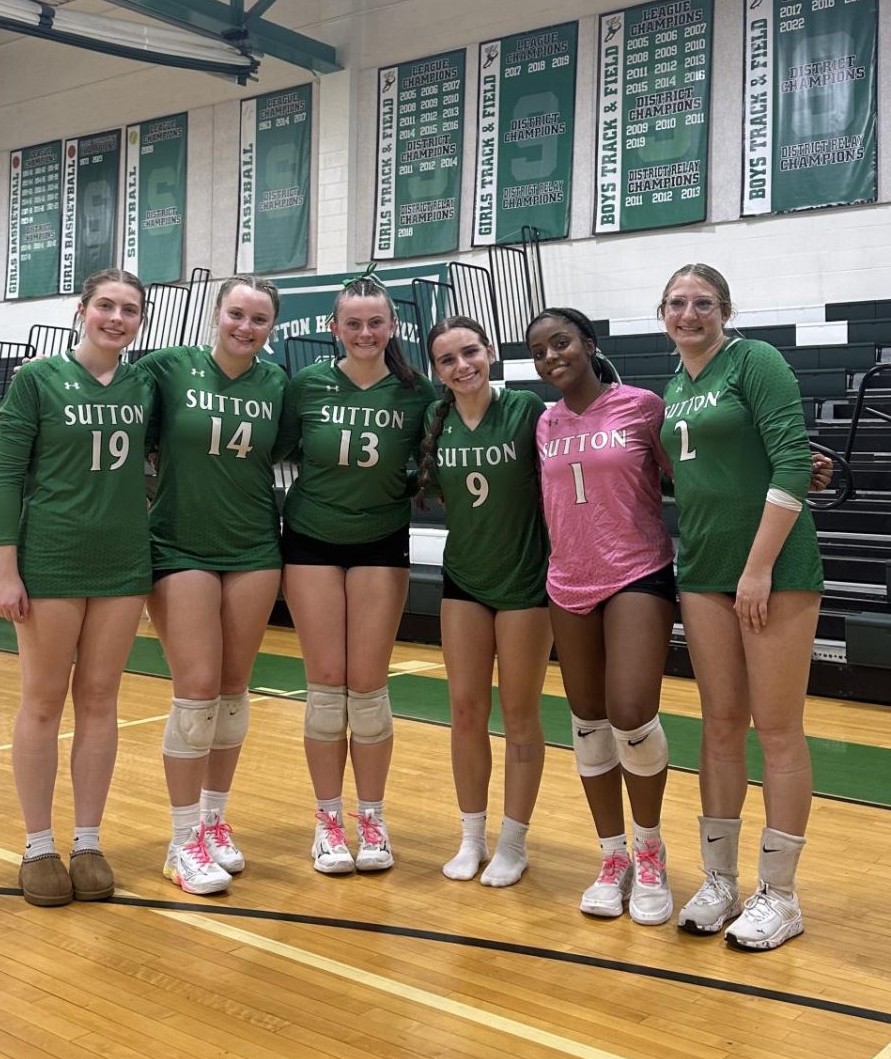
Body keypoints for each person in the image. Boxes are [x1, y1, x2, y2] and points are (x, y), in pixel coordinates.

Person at [658, 263, 824, 951]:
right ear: (660, 313)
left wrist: (757, 569)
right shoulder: (672, 387)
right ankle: (719, 881)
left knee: (776, 728)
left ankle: (779, 896)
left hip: (773, 571)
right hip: (700, 570)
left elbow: (791, 461)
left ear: (723, 310)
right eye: (676, 302)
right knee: (719, 725)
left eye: (701, 303)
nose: (688, 312)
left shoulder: (752, 360)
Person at [0, 268, 152, 907]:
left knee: (100, 698)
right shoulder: (36, 379)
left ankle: (88, 842)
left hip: (123, 562)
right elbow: (7, 477)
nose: (117, 318)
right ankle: (37, 846)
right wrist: (7, 568)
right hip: (52, 558)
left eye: (130, 310)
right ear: (82, 310)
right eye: (106, 306)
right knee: (41, 701)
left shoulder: (145, 384)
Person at [276, 272, 437, 874]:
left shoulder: (417, 392)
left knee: (367, 686)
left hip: (381, 539)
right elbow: (280, 450)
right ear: (334, 328)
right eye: (353, 323)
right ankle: (326, 819)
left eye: (376, 322)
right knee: (325, 684)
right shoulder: (307, 386)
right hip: (311, 540)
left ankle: (371, 816)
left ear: (392, 326)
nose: (365, 332)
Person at [136, 276, 287, 895]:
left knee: (232, 686)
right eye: (236, 314)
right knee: (195, 687)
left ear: (271, 328)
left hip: (254, 546)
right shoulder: (169, 368)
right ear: (215, 313)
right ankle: (180, 841)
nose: (245, 327)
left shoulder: (278, 384)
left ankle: (213, 821)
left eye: (258, 319)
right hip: (178, 545)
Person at [528, 307, 677, 925]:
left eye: (561, 342)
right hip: (568, 579)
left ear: (588, 343)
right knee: (588, 721)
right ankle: (612, 855)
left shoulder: (642, 405)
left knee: (630, 711)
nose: (551, 357)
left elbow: (696, 472)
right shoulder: (544, 424)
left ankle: (650, 850)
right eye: (539, 351)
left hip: (638, 569)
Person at [417, 317, 551, 887]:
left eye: (470, 352)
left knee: (520, 716)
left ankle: (513, 842)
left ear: (490, 351)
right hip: (464, 581)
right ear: (436, 370)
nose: (461, 366)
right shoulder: (435, 419)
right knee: (466, 713)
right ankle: (472, 836)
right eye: (447, 360)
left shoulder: (527, 410)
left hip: (525, 583)